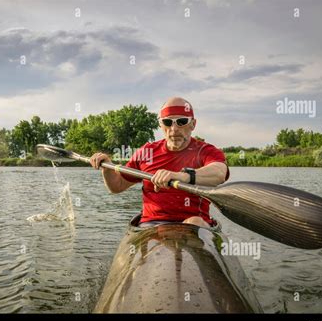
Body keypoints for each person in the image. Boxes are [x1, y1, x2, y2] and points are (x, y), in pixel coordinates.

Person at [89, 97, 229, 228]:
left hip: (195, 224)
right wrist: (107, 167)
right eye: (168, 122)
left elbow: (219, 173)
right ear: (160, 125)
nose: (174, 129)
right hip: (151, 225)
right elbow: (116, 186)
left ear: (193, 124)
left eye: (181, 121)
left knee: (194, 221)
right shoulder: (146, 152)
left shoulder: (205, 151)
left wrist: (181, 176)